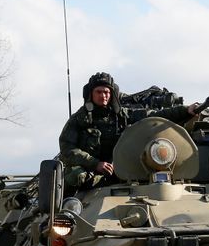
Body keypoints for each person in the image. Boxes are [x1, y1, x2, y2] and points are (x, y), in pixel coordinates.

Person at [59, 72, 196, 189]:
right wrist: (95, 164)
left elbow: (153, 115)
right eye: (99, 92)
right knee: (76, 177)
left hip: (120, 170)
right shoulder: (79, 119)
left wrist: (185, 110)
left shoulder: (122, 115)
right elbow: (66, 149)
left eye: (106, 92)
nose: (103, 96)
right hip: (89, 171)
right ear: (91, 94)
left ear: (112, 94)